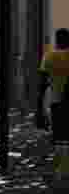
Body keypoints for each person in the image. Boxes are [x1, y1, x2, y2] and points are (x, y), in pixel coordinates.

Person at [36, 28, 69, 183]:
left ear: (57, 41)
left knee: (59, 137)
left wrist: (38, 108)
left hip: (57, 102)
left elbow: (42, 84)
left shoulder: (49, 56)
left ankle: (62, 170)